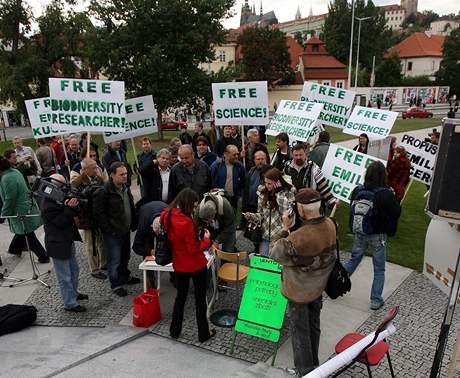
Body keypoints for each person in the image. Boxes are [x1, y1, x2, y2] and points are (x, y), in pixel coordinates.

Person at [270, 188, 336, 375]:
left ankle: (305, 371)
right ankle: (314, 364)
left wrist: (285, 228)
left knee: (300, 332)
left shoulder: (299, 238)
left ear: (301, 209)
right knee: (314, 326)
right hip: (318, 287)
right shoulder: (331, 224)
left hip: (299, 291)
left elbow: (275, 253)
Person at [344, 161, 401, 310]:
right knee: (379, 268)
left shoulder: (358, 190)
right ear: (383, 175)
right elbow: (396, 212)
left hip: (360, 231)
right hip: (378, 235)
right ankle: (376, 300)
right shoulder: (386, 193)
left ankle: (337, 284)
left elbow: (352, 207)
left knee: (353, 260)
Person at [161, 188, 216, 343]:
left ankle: (175, 330)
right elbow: (193, 249)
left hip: (179, 263)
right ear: (188, 204)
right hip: (195, 264)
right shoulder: (186, 222)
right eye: (194, 205)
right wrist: (205, 239)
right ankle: (203, 333)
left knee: (180, 298)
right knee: (200, 299)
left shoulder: (167, 214)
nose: (195, 208)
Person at [41, 173, 87, 312]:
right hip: (57, 244)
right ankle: (70, 303)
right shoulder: (48, 204)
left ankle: (74, 293)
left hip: (67, 240)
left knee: (74, 270)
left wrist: (74, 206)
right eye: (61, 186)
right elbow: (60, 222)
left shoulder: (58, 197)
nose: (64, 189)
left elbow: (75, 211)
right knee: (64, 276)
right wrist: (69, 208)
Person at [93, 162, 140, 296]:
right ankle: (116, 284)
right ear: (112, 175)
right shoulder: (103, 192)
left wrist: (133, 222)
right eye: (121, 174)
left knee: (125, 256)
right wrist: (109, 230)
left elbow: (130, 205)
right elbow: (99, 214)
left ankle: (125, 276)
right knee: (114, 260)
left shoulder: (125, 187)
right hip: (113, 233)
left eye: (126, 174)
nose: (125, 176)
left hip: (125, 230)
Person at [0, 158, 48, 263]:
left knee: (27, 234)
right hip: (25, 207)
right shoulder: (15, 171)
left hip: (20, 211)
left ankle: (43, 257)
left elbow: (10, 198)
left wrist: (4, 214)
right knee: (23, 231)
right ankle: (15, 249)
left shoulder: (6, 178)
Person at [244, 168, 296, 256]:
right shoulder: (262, 193)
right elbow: (261, 214)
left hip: (280, 236)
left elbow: (286, 214)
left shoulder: (288, 193)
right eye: (265, 183)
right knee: (263, 264)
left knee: (276, 265)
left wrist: (279, 194)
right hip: (264, 236)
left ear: (277, 183)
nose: (267, 186)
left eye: (269, 183)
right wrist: (251, 216)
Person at [71, 158, 107, 280]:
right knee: (90, 244)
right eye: (93, 167)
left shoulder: (98, 178)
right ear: (85, 169)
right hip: (87, 217)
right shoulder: (78, 181)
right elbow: (77, 198)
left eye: (96, 166)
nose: (96, 169)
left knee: (101, 241)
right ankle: (94, 269)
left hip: (99, 215)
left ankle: (103, 263)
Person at [284, 143, 336, 209]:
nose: (298, 157)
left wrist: (331, 201)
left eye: (301, 155)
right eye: (296, 155)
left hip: (310, 205)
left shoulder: (313, 167)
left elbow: (323, 186)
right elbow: (284, 185)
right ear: (292, 155)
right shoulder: (287, 167)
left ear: (305, 154)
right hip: (293, 206)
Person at [210, 144, 246, 210]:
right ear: (226, 154)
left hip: (234, 199)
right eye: (234, 155)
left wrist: (240, 195)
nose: (237, 156)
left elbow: (243, 183)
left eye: (237, 154)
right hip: (220, 198)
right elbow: (210, 181)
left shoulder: (239, 166)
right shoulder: (216, 166)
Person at [242, 150, 269, 215]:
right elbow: (246, 188)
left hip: (262, 205)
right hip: (250, 205)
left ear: (266, 159)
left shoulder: (269, 172)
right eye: (258, 159)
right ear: (254, 160)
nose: (260, 161)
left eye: (262, 159)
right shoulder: (251, 171)